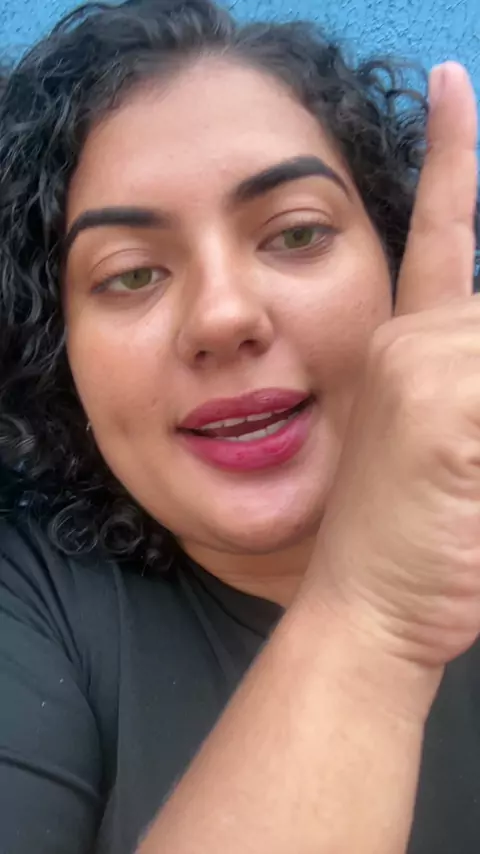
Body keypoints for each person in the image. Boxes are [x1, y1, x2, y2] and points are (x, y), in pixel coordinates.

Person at [0, 0, 478, 851]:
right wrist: (371, 617)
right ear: (56, 351)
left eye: (296, 233)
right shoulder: (27, 602)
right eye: (131, 274)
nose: (222, 317)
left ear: (395, 264)